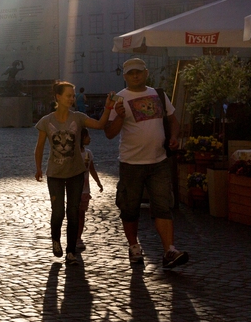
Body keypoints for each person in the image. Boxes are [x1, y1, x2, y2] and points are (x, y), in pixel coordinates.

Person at [105, 58, 189, 268]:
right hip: (131, 163)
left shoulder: (158, 94)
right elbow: (109, 133)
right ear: (125, 76)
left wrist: (174, 137)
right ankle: (134, 246)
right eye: (131, 73)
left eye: (139, 72)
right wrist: (120, 118)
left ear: (146, 73)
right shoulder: (120, 99)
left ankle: (169, 250)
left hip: (159, 161)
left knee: (162, 206)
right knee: (129, 208)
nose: (136, 76)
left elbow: (173, 120)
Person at [34, 81, 114, 265]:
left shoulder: (78, 118)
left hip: (76, 173)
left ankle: (71, 252)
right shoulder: (46, 121)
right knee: (58, 211)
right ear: (58, 97)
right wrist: (38, 168)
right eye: (68, 95)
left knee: (73, 211)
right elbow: (39, 148)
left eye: (73, 95)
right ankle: (55, 240)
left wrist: (108, 107)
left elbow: (101, 125)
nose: (71, 98)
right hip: (54, 173)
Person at [77, 127, 103, 253]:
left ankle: (78, 237)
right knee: (74, 215)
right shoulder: (75, 153)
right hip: (75, 189)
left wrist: (98, 182)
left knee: (81, 214)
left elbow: (92, 169)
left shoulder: (88, 153)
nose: (90, 138)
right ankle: (74, 237)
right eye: (88, 136)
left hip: (85, 190)